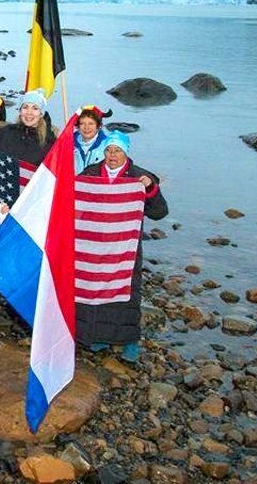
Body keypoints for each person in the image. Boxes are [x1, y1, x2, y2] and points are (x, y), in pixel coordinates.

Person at [78, 131, 168, 362]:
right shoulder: (90, 173)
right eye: (108, 150)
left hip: (125, 246)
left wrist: (150, 189)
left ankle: (129, 341)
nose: (112, 155)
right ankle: (96, 336)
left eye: (117, 150)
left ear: (125, 152)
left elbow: (160, 212)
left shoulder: (140, 177)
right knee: (92, 289)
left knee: (127, 294)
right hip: (94, 244)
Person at [0, 90, 57, 166]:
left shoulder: (50, 144)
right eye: (25, 107)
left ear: (41, 114)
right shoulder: (7, 132)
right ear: (20, 111)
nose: (29, 112)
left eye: (35, 108)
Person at [73, 105, 111, 173]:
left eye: (91, 124)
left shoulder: (109, 146)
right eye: (82, 124)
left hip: (96, 183)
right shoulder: (68, 144)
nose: (86, 127)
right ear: (78, 126)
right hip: (73, 182)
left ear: (98, 126)